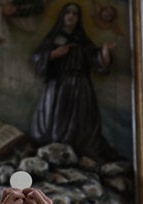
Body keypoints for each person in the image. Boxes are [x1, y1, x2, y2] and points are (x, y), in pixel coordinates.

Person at [30, 2, 118, 163]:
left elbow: (97, 61)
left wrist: (105, 51)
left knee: (81, 123)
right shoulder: (54, 37)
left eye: (75, 14)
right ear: (62, 16)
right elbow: (37, 57)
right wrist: (55, 54)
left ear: (78, 18)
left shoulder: (82, 40)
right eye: (68, 13)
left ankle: (77, 155)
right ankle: (55, 153)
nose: (71, 16)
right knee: (55, 120)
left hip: (80, 87)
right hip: (58, 85)